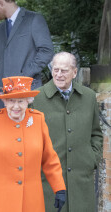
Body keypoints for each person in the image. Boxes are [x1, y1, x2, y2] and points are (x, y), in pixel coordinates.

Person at [0, 76, 67, 212]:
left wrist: (59, 188)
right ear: (4, 101)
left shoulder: (38, 119)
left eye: (21, 101)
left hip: (32, 201)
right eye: (11, 101)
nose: (16, 106)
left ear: (28, 101)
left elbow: (50, 160)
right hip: (0, 200)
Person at [33, 52, 103, 212]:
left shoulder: (89, 97)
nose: (58, 74)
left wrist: (92, 158)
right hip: (48, 181)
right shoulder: (37, 99)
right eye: (55, 69)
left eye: (64, 70)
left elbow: (96, 133)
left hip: (81, 179)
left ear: (74, 72)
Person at [0, 0, 54, 100]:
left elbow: (47, 51)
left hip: (27, 91)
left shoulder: (34, 19)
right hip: (3, 95)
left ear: (1, 3)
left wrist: (24, 75)